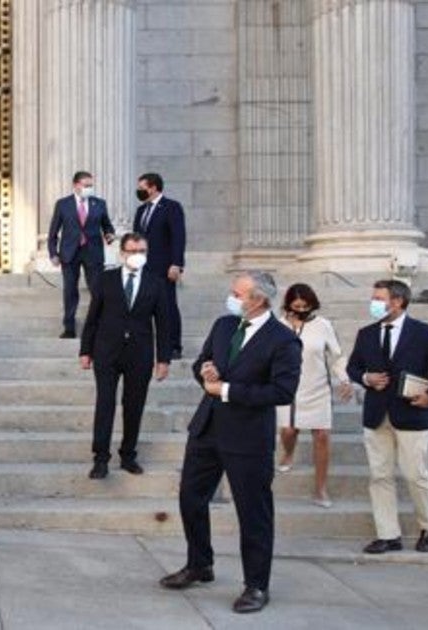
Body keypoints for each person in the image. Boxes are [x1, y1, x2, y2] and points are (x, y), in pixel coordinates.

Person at [159, 271, 301, 614]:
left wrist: (225, 389)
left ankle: (256, 585)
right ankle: (199, 563)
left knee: (253, 511)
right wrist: (206, 373)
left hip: (248, 435)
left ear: (258, 299)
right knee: (191, 497)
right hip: (208, 427)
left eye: (237, 293)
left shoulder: (283, 340)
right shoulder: (224, 325)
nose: (231, 297)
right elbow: (201, 365)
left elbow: (282, 392)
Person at [347, 280, 428, 555]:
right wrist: (365, 378)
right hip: (376, 415)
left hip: (413, 414)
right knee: (379, 476)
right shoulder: (366, 333)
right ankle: (388, 535)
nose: (373, 302)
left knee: (415, 474)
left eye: (378, 298)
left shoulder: (424, 333)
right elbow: (353, 367)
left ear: (397, 301)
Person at [78, 233, 171, 479]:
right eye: (133, 251)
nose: (138, 255)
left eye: (142, 251)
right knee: (105, 404)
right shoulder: (105, 279)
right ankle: (100, 458)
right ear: (122, 253)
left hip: (139, 353)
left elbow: (164, 323)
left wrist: (163, 359)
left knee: (134, 406)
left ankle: (128, 454)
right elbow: (93, 317)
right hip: (106, 351)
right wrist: (85, 350)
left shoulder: (155, 282)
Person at [274, 283, 353, 508]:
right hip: (287, 389)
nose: (301, 310)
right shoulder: (278, 326)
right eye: (296, 306)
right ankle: (288, 453)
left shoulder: (323, 325)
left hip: (317, 388)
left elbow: (337, 356)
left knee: (322, 436)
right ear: (288, 304)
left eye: (305, 306)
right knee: (289, 431)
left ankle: (320, 488)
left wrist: (344, 379)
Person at [48, 170, 115, 339]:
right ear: (76, 185)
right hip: (70, 253)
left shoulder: (99, 203)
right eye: (86, 185)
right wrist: (53, 253)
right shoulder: (63, 204)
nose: (89, 189)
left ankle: (98, 324)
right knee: (70, 290)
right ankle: (69, 327)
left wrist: (109, 234)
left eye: (91, 186)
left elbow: (107, 225)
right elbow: (53, 231)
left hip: (93, 252)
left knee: (97, 290)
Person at [133, 173, 186, 359]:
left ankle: (174, 346)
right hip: (142, 267)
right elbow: (136, 239)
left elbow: (178, 237)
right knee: (144, 307)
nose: (139, 191)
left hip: (164, 268)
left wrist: (177, 264)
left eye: (142, 187)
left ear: (153, 187)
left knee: (168, 306)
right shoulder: (141, 211)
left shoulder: (171, 207)